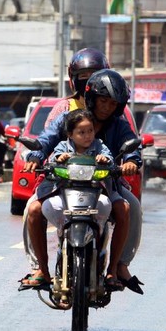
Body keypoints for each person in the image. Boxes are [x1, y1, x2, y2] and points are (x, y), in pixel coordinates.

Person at [20, 69, 145, 294]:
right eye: (103, 101)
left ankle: (117, 268)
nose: (107, 107)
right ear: (91, 98)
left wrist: (131, 162)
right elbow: (46, 140)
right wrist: (36, 157)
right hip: (62, 183)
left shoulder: (119, 125)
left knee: (129, 207)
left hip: (104, 184)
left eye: (112, 103)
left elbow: (130, 146)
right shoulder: (70, 118)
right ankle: (41, 270)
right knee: (33, 209)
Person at [24, 109, 125, 290]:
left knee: (124, 207)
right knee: (33, 210)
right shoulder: (63, 146)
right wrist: (58, 160)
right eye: (81, 132)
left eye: (90, 131)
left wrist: (106, 160)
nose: (87, 136)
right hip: (64, 194)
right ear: (70, 134)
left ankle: (113, 270)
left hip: (96, 194)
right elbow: (52, 155)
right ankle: (42, 270)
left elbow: (109, 159)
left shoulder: (100, 146)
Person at [44, 47, 110, 127]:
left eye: (94, 75)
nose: (89, 80)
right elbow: (49, 133)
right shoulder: (63, 108)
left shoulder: (110, 106)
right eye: (83, 76)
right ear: (74, 80)